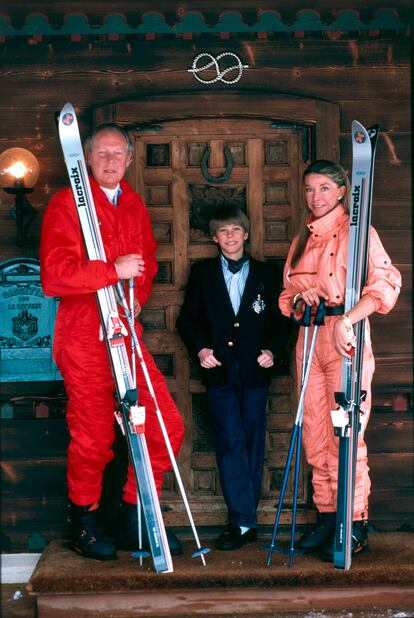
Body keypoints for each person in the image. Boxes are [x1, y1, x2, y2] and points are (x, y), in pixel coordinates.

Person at [40, 124, 184, 560]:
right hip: (84, 338)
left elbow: (146, 264)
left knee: (164, 426)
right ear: (85, 158)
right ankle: (83, 523)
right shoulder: (67, 204)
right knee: (93, 438)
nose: (109, 161)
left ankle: (134, 514)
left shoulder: (134, 204)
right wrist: (111, 271)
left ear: (128, 159)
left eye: (117, 154)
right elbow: (54, 276)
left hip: (124, 333)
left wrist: (135, 299)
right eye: (101, 154)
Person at [278, 159, 401, 561]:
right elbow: (286, 297)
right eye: (310, 189)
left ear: (343, 190)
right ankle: (329, 517)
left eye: (325, 189)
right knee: (316, 432)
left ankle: (355, 521)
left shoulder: (358, 233)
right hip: (310, 341)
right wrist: (301, 298)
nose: (317, 197)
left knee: (346, 433)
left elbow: (385, 283)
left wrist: (349, 317)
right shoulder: (302, 240)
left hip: (345, 338)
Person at [177, 205, 289, 551]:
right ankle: (241, 521)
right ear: (214, 237)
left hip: (256, 372)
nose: (230, 236)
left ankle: (245, 520)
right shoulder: (203, 273)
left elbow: (283, 322)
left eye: (235, 230)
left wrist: (273, 350)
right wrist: (201, 351)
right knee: (229, 444)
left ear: (246, 234)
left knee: (253, 444)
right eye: (223, 231)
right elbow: (187, 321)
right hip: (220, 373)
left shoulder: (266, 274)